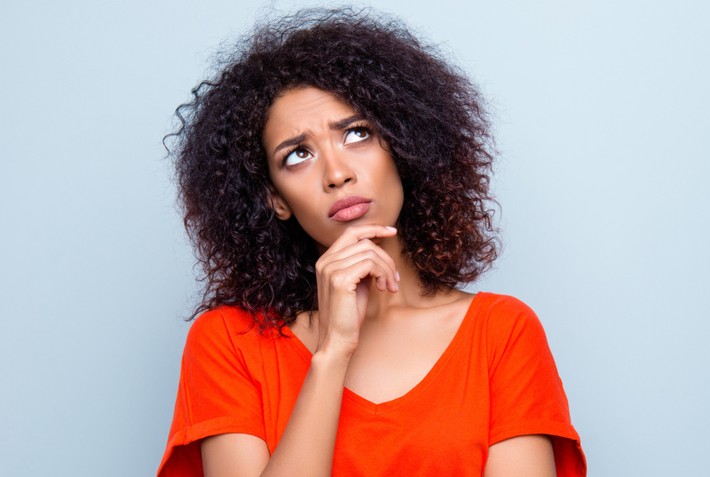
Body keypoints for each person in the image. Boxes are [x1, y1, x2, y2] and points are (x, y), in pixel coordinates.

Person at [158, 8, 585, 476]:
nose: (337, 173)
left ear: (404, 147)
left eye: (357, 133)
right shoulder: (228, 343)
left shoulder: (501, 333)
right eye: (298, 155)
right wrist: (332, 353)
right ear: (276, 200)